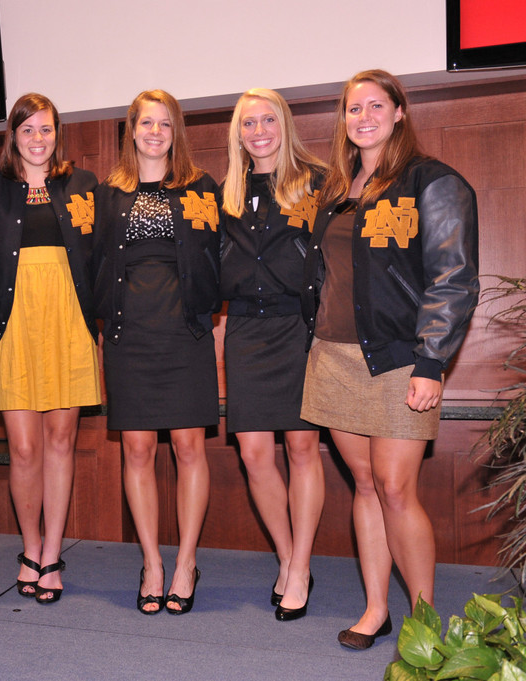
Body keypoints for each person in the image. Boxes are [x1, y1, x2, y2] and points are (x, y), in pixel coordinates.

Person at [300, 70, 478, 649]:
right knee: (365, 485)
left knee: (396, 488)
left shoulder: (433, 181)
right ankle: (375, 609)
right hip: (334, 356)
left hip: (401, 357)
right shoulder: (336, 189)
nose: (365, 117)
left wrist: (432, 362)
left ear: (399, 112)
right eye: (354, 109)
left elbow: (454, 279)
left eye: (377, 106)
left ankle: (425, 622)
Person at [93, 90, 222, 615]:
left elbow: (217, 254)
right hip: (129, 337)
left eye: (165, 124)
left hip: (184, 334)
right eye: (146, 123)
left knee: (190, 449)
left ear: (176, 133)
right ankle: (152, 563)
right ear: (131, 130)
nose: (154, 132)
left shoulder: (200, 186)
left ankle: (186, 562)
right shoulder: (107, 193)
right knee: (138, 451)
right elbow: (91, 260)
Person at [0, 93, 100, 605]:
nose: (37, 139)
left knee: (61, 442)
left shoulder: (83, 184)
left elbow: (101, 254)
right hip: (12, 321)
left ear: (57, 134)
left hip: (67, 317)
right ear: (13, 136)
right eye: (27, 130)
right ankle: (29, 547)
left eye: (46, 129)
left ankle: (51, 552)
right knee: (24, 448)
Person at [220, 89, 326, 621]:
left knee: (303, 449)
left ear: (285, 125)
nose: (258, 131)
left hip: (299, 329)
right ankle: (287, 556)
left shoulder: (318, 182)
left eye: (268, 120)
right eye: (248, 123)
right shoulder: (226, 192)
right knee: (254, 454)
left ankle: (300, 566)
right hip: (244, 329)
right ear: (238, 133)